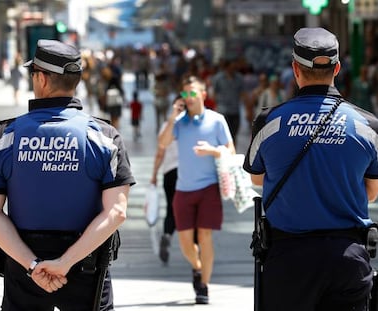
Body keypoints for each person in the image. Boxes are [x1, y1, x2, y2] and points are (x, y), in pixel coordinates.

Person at [0, 39, 135, 311]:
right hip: (86, 265)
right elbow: (116, 211)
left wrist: (33, 265)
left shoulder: (5, 138)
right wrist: (65, 263)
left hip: (23, 267)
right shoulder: (105, 138)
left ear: (42, 79)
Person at [243, 27, 378, 311]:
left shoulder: (269, 121)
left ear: (295, 69)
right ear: (337, 68)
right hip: (347, 259)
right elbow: (371, 193)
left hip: (289, 260)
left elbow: (257, 177)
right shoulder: (367, 125)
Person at [158, 76, 235, 304]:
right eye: (185, 94)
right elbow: (162, 143)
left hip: (209, 187)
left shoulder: (217, 120)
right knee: (184, 242)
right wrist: (173, 116)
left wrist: (212, 150)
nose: (189, 98)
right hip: (183, 188)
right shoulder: (179, 123)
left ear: (203, 94)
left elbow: (230, 150)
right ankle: (197, 267)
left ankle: (203, 286)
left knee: (204, 236)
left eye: (193, 93)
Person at [151, 97, 180, 264]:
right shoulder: (190, 125)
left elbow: (160, 153)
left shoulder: (166, 126)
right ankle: (194, 243)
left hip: (169, 172)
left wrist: (154, 174)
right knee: (187, 210)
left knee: (171, 209)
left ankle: (167, 235)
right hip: (185, 174)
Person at [211, 59, 244, 146]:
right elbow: (213, 93)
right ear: (226, 68)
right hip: (223, 110)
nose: (233, 69)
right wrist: (214, 107)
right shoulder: (218, 78)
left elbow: (243, 93)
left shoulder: (239, 78)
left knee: (234, 134)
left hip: (235, 110)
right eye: (231, 67)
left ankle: (232, 153)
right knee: (222, 134)